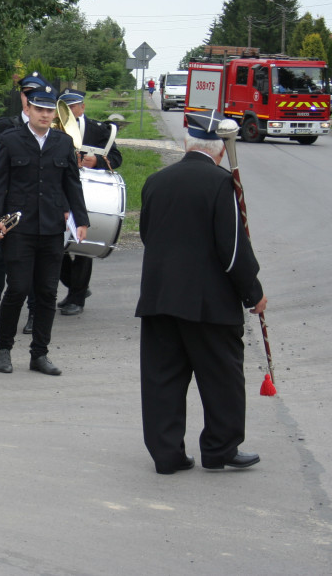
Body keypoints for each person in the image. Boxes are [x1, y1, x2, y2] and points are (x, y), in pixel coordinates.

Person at [136, 110, 266, 475]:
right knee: (222, 377)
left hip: (159, 298)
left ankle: (167, 454)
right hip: (208, 303)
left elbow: (148, 235)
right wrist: (252, 293)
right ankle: (219, 449)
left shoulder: (155, 181)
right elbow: (234, 249)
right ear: (221, 150)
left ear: (186, 143)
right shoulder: (222, 185)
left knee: (162, 379)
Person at [0, 79, 88, 376]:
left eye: (49, 110)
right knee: (17, 288)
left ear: (54, 113)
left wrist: (80, 219)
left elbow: (72, 183)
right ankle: (4, 348)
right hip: (20, 229)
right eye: (38, 109)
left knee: (46, 292)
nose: (44, 115)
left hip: (52, 228)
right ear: (28, 109)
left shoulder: (63, 142)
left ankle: (39, 354)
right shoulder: (11, 139)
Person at [0, 73, 41, 333]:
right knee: (0, 256)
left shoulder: (50, 127)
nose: (29, 98)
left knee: (35, 260)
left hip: (36, 203)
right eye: (26, 93)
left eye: (34, 93)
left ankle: (34, 313)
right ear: (21, 96)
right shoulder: (7, 124)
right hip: (8, 200)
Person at [56, 88, 123, 316]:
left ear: (82, 107)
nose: (70, 111)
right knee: (58, 247)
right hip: (59, 192)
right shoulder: (56, 127)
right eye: (65, 107)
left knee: (83, 247)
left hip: (89, 195)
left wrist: (97, 161)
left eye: (73, 106)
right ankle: (76, 288)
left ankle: (77, 297)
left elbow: (116, 158)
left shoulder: (97, 129)